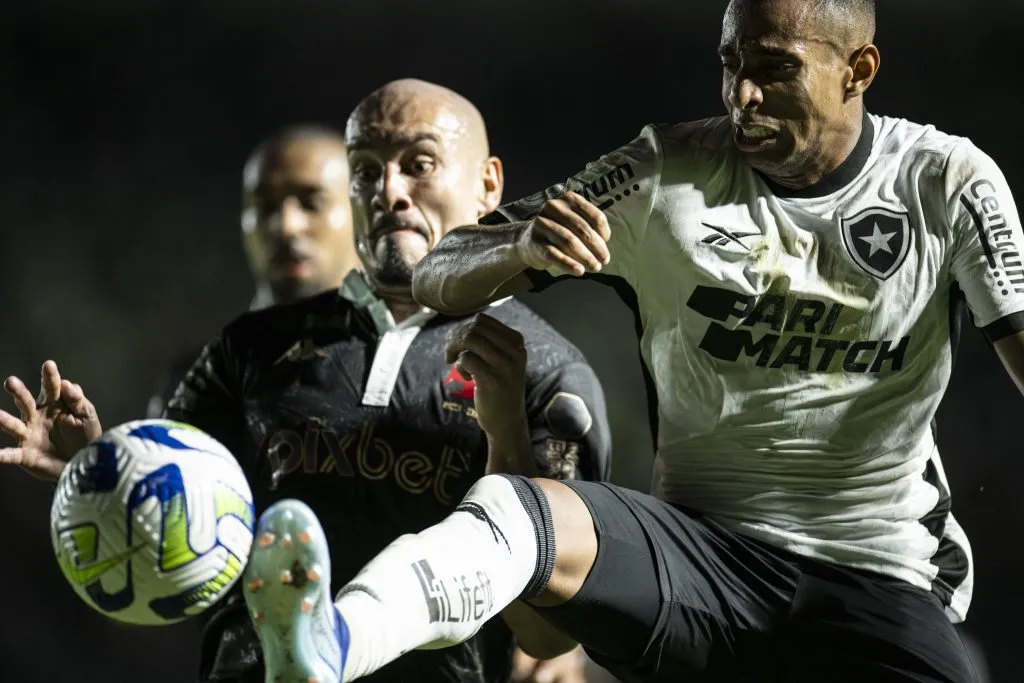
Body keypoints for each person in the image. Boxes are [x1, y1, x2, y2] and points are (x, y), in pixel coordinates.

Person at [75, 0, 1009, 680]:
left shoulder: (946, 184)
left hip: (878, 572)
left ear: (858, 69)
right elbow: (443, 267)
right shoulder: (666, 170)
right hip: (698, 557)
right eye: (730, 64)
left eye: (774, 68)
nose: (742, 94)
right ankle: (332, 642)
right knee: (528, 507)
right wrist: (522, 245)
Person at [0, 80, 610, 683]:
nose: (389, 192)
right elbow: (176, 539)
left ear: (488, 185)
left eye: (418, 165)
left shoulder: (548, 373)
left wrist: (506, 434)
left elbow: (548, 636)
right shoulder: (249, 347)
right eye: (365, 171)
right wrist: (100, 476)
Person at [146, 126, 361, 420]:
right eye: (265, 206)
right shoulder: (197, 383)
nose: (286, 225)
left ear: (362, 217)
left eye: (312, 203)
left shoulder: (412, 371)